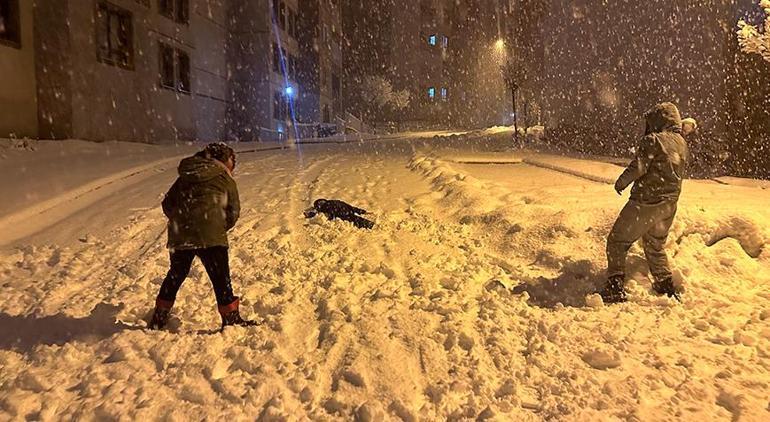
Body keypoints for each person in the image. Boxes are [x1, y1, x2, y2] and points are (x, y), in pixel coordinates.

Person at [149, 142, 257, 329]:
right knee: (220, 277)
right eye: (233, 160)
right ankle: (230, 317)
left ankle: (159, 316)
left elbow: (168, 204)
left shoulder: (184, 176)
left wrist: (183, 221)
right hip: (210, 234)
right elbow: (233, 211)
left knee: (176, 274)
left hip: (181, 234)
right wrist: (217, 226)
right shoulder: (224, 178)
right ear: (224, 159)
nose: (234, 165)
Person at [601, 102, 689, 303]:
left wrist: (621, 182)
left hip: (646, 202)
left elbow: (638, 167)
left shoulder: (653, 140)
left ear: (658, 120)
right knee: (655, 245)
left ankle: (615, 286)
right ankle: (665, 285)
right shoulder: (681, 143)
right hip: (669, 205)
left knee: (617, 240)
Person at [304, 199, 374, 229]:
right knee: (359, 220)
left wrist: (330, 220)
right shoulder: (335, 202)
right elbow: (352, 207)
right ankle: (372, 225)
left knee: (357, 223)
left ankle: (371, 227)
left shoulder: (327, 206)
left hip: (344, 216)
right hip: (348, 212)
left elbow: (331, 214)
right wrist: (363, 212)